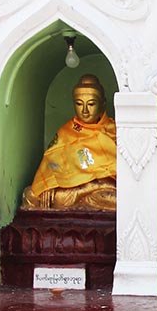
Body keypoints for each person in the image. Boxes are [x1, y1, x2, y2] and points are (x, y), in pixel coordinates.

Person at [22, 74, 117, 210]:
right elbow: (52, 161)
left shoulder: (114, 131)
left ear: (103, 104)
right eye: (79, 104)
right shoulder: (66, 132)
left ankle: (93, 189)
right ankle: (88, 192)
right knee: (31, 195)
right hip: (71, 190)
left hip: (104, 190)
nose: (84, 110)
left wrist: (98, 184)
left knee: (119, 199)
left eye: (91, 104)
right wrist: (49, 184)